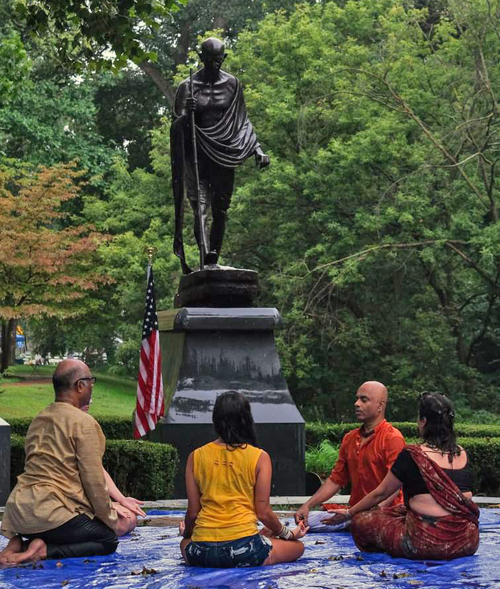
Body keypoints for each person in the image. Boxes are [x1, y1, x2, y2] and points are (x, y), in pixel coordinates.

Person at [326, 392, 479, 560]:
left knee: (361, 521)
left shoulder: (413, 454)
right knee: (398, 511)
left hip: (425, 543)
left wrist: (349, 513)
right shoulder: (463, 454)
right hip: (467, 540)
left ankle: (377, 558)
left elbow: (381, 492)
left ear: (424, 422)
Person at [0, 360, 123, 564]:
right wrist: (111, 519)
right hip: (51, 512)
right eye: (91, 381)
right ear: (80, 386)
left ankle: (20, 544)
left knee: (62, 525)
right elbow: (94, 482)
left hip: (19, 512)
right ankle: (42, 551)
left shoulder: (39, 418)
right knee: (108, 539)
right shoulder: (83, 422)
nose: (92, 386)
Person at [171, 37, 270, 274]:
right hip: (196, 157)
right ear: (201, 58)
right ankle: (204, 257)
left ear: (223, 58)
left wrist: (257, 148)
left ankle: (214, 253)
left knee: (221, 209)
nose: (214, 65)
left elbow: (242, 121)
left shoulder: (233, 84)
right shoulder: (188, 86)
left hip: (223, 154)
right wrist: (188, 116)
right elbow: (176, 123)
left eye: (218, 60)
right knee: (200, 208)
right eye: (209, 60)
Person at [180, 391, 307, 568]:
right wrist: (289, 534)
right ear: (247, 419)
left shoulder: (195, 457)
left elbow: (193, 513)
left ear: (215, 420)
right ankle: (263, 548)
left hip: (202, 552)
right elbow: (263, 512)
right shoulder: (259, 457)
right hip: (245, 549)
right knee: (298, 547)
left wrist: (186, 533)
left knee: (184, 544)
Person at [295, 381, 405, 532]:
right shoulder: (350, 438)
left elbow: (393, 487)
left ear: (380, 406)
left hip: (386, 515)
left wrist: (373, 512)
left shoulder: (392, 438)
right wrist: (307, 505)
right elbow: (335, 479)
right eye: (357, 398)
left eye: (364, 399)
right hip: (353, 513)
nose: (356, 403)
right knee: (305, 522)